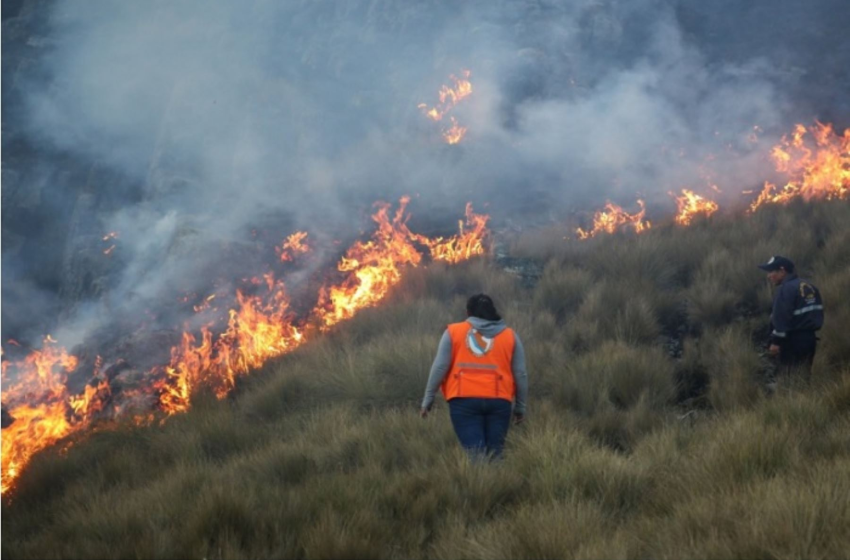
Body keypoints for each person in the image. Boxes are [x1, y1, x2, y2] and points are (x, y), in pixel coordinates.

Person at [420, 293, 528, 460]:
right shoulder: (510, 336)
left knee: (475, 454)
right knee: (495, 454)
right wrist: (520, 407)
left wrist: (428, 398)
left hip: (463, 400)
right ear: (493, 312)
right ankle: (497, 484)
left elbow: (440, 366)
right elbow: (520, 373)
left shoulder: (453, 332)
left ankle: (480, 484)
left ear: (468, 313)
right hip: (499, 401)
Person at [758, 255, 824, 379]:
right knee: (804, 376)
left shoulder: (786, 289)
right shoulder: (810, 286)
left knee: (790, 380)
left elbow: (781, 319)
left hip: (792, 343)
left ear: (782, 271)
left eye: (771, 271)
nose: (768, 276)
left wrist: (776, 342)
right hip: (809, 340)